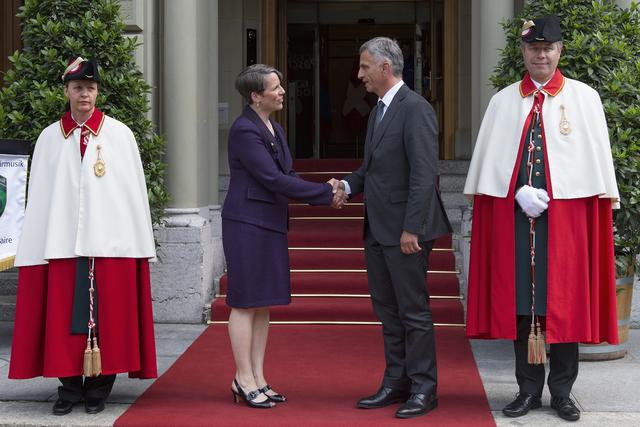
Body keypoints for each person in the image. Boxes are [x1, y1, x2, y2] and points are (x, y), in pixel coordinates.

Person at [463, 16, 620, 422]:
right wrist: (517, 189)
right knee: (522, 305)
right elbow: (492, 165)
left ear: (560, 51)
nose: (541, 54)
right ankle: (528, 389)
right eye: (534, 49)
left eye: (548, 48)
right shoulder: (502, 101)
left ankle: (563, 393)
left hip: (566, 223)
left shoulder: (585, 98)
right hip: (516, 220)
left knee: (563, 304)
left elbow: (594, 166)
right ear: (524, 52)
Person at [9, 57, 157, 415]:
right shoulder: (49, 138)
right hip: (61, 246)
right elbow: (41, 198)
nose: (84, 94)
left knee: (110, 319)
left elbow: (133, 193)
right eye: (78, 88)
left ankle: (99, 388)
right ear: (67, 91)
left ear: (97, 92)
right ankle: (69, 388)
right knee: (63, 322)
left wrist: (137, 241)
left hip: (110, 245)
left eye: (90, 88)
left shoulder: (119, 134)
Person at [332, 37, 452, 419]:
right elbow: (371, 170)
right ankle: (396, 382)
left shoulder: (415, 109)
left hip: (406, 232)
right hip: (378, 229)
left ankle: (423, 388)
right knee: (388, 312)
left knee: (413, 312)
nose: (360, 74)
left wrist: (411, 229)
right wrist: (345, 187)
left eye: (365, 67)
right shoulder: (378, 111)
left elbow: (423, 174)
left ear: (386, 68)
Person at [222, 64, 341, 409]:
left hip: (269, 222)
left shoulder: (273, 127)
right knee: (244, 302)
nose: (282, 91)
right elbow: (273, 180)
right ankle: (243, 378)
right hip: (246, 223)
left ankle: (257, 377)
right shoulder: (245, 130)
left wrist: (326, 188)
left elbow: (286, 173)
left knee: (262, 303)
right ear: (255, 96)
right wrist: (324, 192)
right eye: (275, 87)